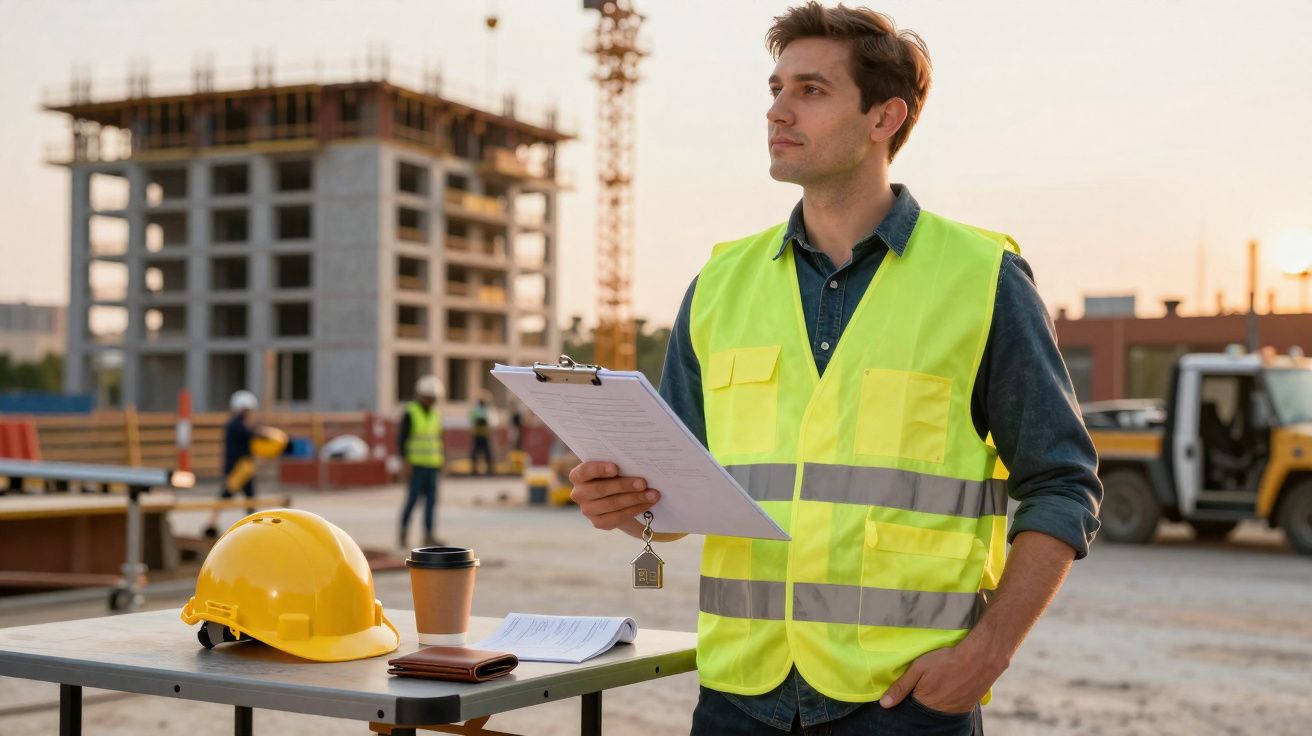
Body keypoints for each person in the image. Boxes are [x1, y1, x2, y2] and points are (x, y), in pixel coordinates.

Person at [567, 4, 1103, 734]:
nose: (777, 110)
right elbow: (673, 500)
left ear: (885, 118)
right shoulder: (720, 285)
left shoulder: (983, 280)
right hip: (737, 696)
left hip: (905, 702)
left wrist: (988, 653)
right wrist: (624, 508)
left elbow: (1062, 485)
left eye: (810, 90)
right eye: (776, 87)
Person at [397, 375, 446, 548]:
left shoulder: (435, 414)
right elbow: (402, 440)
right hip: (416, 466)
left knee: (431, 503)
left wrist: (441, 463)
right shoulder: (411, 412)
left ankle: (429, 535)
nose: (431, 401)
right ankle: (403, 534)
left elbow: (438, 440)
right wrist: (405, 463)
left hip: (432, 465)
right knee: (411, 501)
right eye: (429, 398)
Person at [204, 389, 260, 539]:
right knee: (227, 495)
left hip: (244, 467)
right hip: (238, 468)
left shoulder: (237, 424)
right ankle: (211, 525)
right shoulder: (236, 425)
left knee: (249, 497)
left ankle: (254, 525)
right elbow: (253, 435)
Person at [468, 397, 494, 475]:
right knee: (476, 453)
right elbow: (472, 419)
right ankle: (474, 469)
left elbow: (492, 421)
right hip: (478, 434)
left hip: (484, 435)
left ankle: (489, 469)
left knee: (487, 453)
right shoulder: (477, 409)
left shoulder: (487, 410)